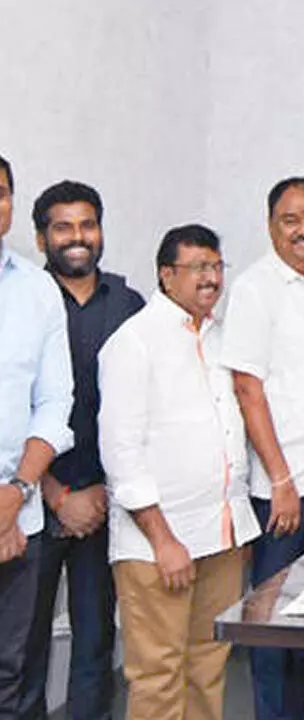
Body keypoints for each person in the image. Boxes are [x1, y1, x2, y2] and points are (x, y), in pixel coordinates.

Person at [99, 224, 259, 720]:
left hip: (221, 534)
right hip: (160, 545)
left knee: (209, 666)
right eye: (197, 269)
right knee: (159, 677)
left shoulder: (220, 336)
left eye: (216, 267)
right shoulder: (134, 343)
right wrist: (163, 540)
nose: (210, 279)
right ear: (167, 276)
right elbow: (120, 452)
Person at [221, 177, 304, 720]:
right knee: (274, 624)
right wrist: (280, 479)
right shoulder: (256, 289)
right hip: (288, 492)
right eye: (291, 220)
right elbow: (247, 388)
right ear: (270, 226)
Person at [20, 181, 144, 720]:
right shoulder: (24, 302)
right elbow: (14, 410)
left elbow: (144, 412)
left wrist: (102, 493)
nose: (77, 238)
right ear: (42, 236)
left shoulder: (130, 305)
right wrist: (54, 494)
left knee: (96, 643)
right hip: (30, 501)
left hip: (106, 504)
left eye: (87, 225)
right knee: (23, 648)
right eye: (63, 227)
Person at [0, 154, 75, 718]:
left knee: (11, 672)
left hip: (17, 521)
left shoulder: (36, 291)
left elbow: (53, 404)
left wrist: (16, 493)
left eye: (1, 191)